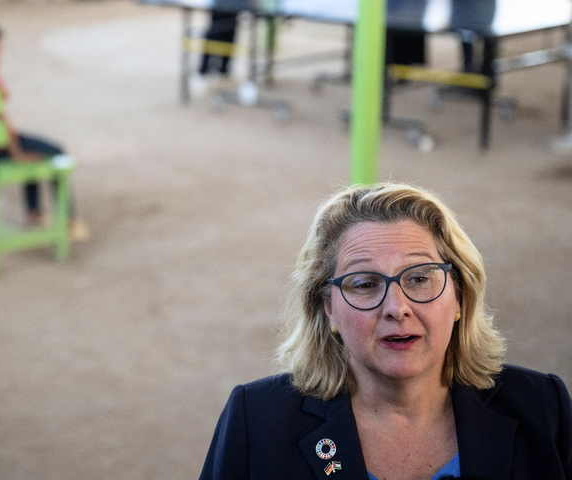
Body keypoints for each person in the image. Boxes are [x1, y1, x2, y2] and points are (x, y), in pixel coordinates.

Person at [199, 183, 572, 479]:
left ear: (460, 296)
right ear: (328, 307)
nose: (397, 308)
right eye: (364, 284)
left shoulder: (544, 406)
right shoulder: (257, 420)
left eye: (420, 278)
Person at [0, 21, 89, 240]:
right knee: (55, 152)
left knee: (32, 150)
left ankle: (34, 213)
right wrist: (17, 154)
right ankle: (68, 220)